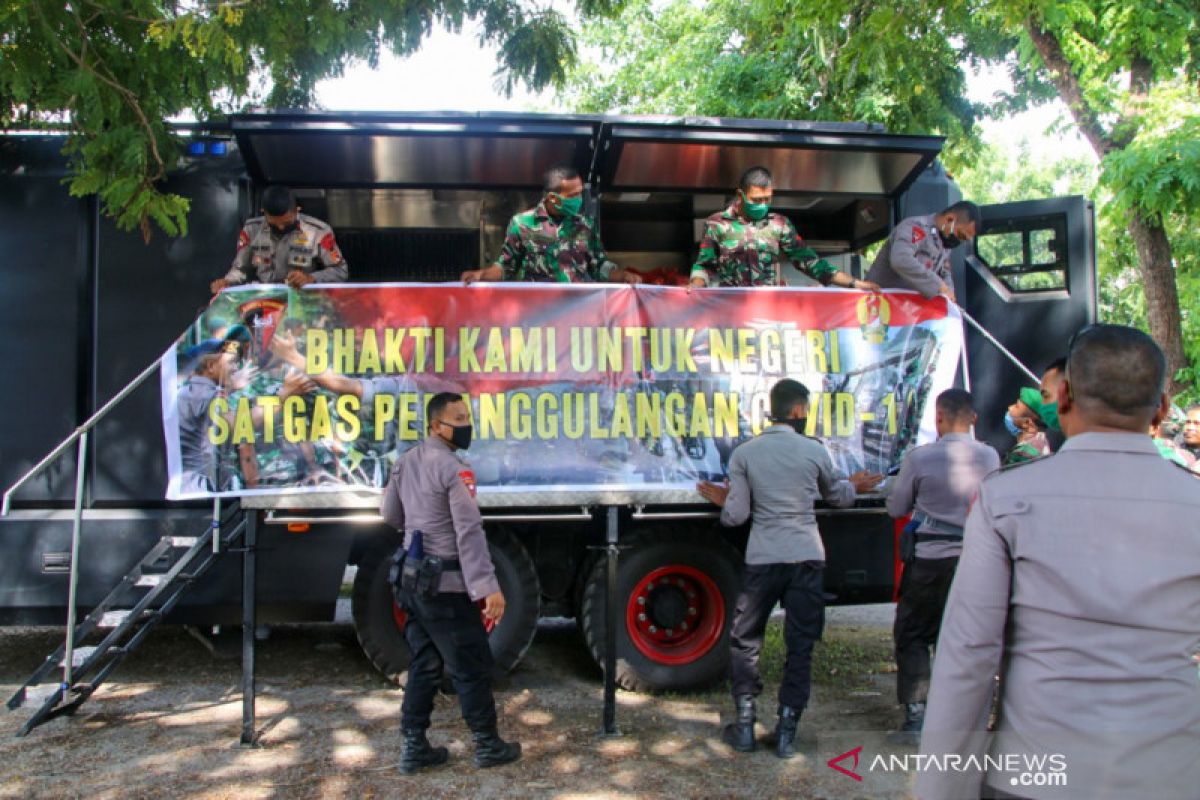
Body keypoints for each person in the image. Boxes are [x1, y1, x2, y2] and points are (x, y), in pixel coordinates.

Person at [916, 324, 1200, 800]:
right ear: (1163, 409)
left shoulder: (1007, 499)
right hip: (1172, 772)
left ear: (1063, 396)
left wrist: (941, 789)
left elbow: (969, 657)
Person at [696, 379, 882, 758]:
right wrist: (855, 486)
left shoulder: (746, 454)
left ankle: (745, 725)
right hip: (806, 556)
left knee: (746, 640)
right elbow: (837, 496)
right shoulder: (813, 451)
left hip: (763, 558)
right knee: (800, 645)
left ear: (774, 409)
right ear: (798, 412)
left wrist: (726, 499)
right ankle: (786, 732)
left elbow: (736, 517)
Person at [380, 392, 520, 774]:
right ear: (435, 425)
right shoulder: (455, 470)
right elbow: (469, 529)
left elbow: (389, 514)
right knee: (470, 665)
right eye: (457, 418)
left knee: (424, 663)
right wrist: (486, 586)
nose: (465, 424)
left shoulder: (404, 462)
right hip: (446, 587)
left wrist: (419, 527)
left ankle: (414, 746)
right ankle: (488, 744)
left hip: (411, 582)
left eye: (466, 416)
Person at [885, 389, 999, 742]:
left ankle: (917, 717)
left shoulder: (921, 459)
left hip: (930, 561)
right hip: (976, 562)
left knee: (914, 633)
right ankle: (964, 719)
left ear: (938, 418)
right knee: (965, 638)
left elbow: (895, 507)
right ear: (973, 419)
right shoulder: (990, 456)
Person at [689, 166, 877, 290]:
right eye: (756, 200)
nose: (762, 204)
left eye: (767, 199)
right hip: (730, 315)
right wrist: (695, 285)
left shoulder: (779, 224)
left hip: (769, 316)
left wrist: (855, 283)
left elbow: (810, 263)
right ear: (740, 195)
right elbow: (704, 265)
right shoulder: (716, 224)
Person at [461, 165, 640, 285]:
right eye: (573, 196)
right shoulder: (522, 224)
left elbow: (598, 266)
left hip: (579, 316)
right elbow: (506, 267)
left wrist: (622, 275)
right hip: (540, 317)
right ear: (553, 198)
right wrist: (481, 275)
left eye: (580, 193)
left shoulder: (586, 224)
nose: (579, 200)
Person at [210, 185, 348, 295]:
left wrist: (310, 278)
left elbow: (340, 271)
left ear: (296, 210)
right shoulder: (251, 229)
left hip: (302, 296)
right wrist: (227, 282)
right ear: (263, 212)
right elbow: (241, 269)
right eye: (273, 224)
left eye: (287, 223)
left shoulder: (319, 231)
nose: (281, 227)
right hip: (264, 298)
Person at [865, 201, 981, 301]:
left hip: (905, 312)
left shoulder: (944, 243)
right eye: (961, 235)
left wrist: (948, 297)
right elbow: (901, 260)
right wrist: (938, 285)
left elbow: (945, 274)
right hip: (878, 303)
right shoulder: (915, 227)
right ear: (950, 219)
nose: (959, 241)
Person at [1002, 387, 1052, 465]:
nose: (1010, 408)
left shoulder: (1022, 456)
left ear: (1027, 423)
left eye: (1016, 406)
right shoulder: (1042, 445)